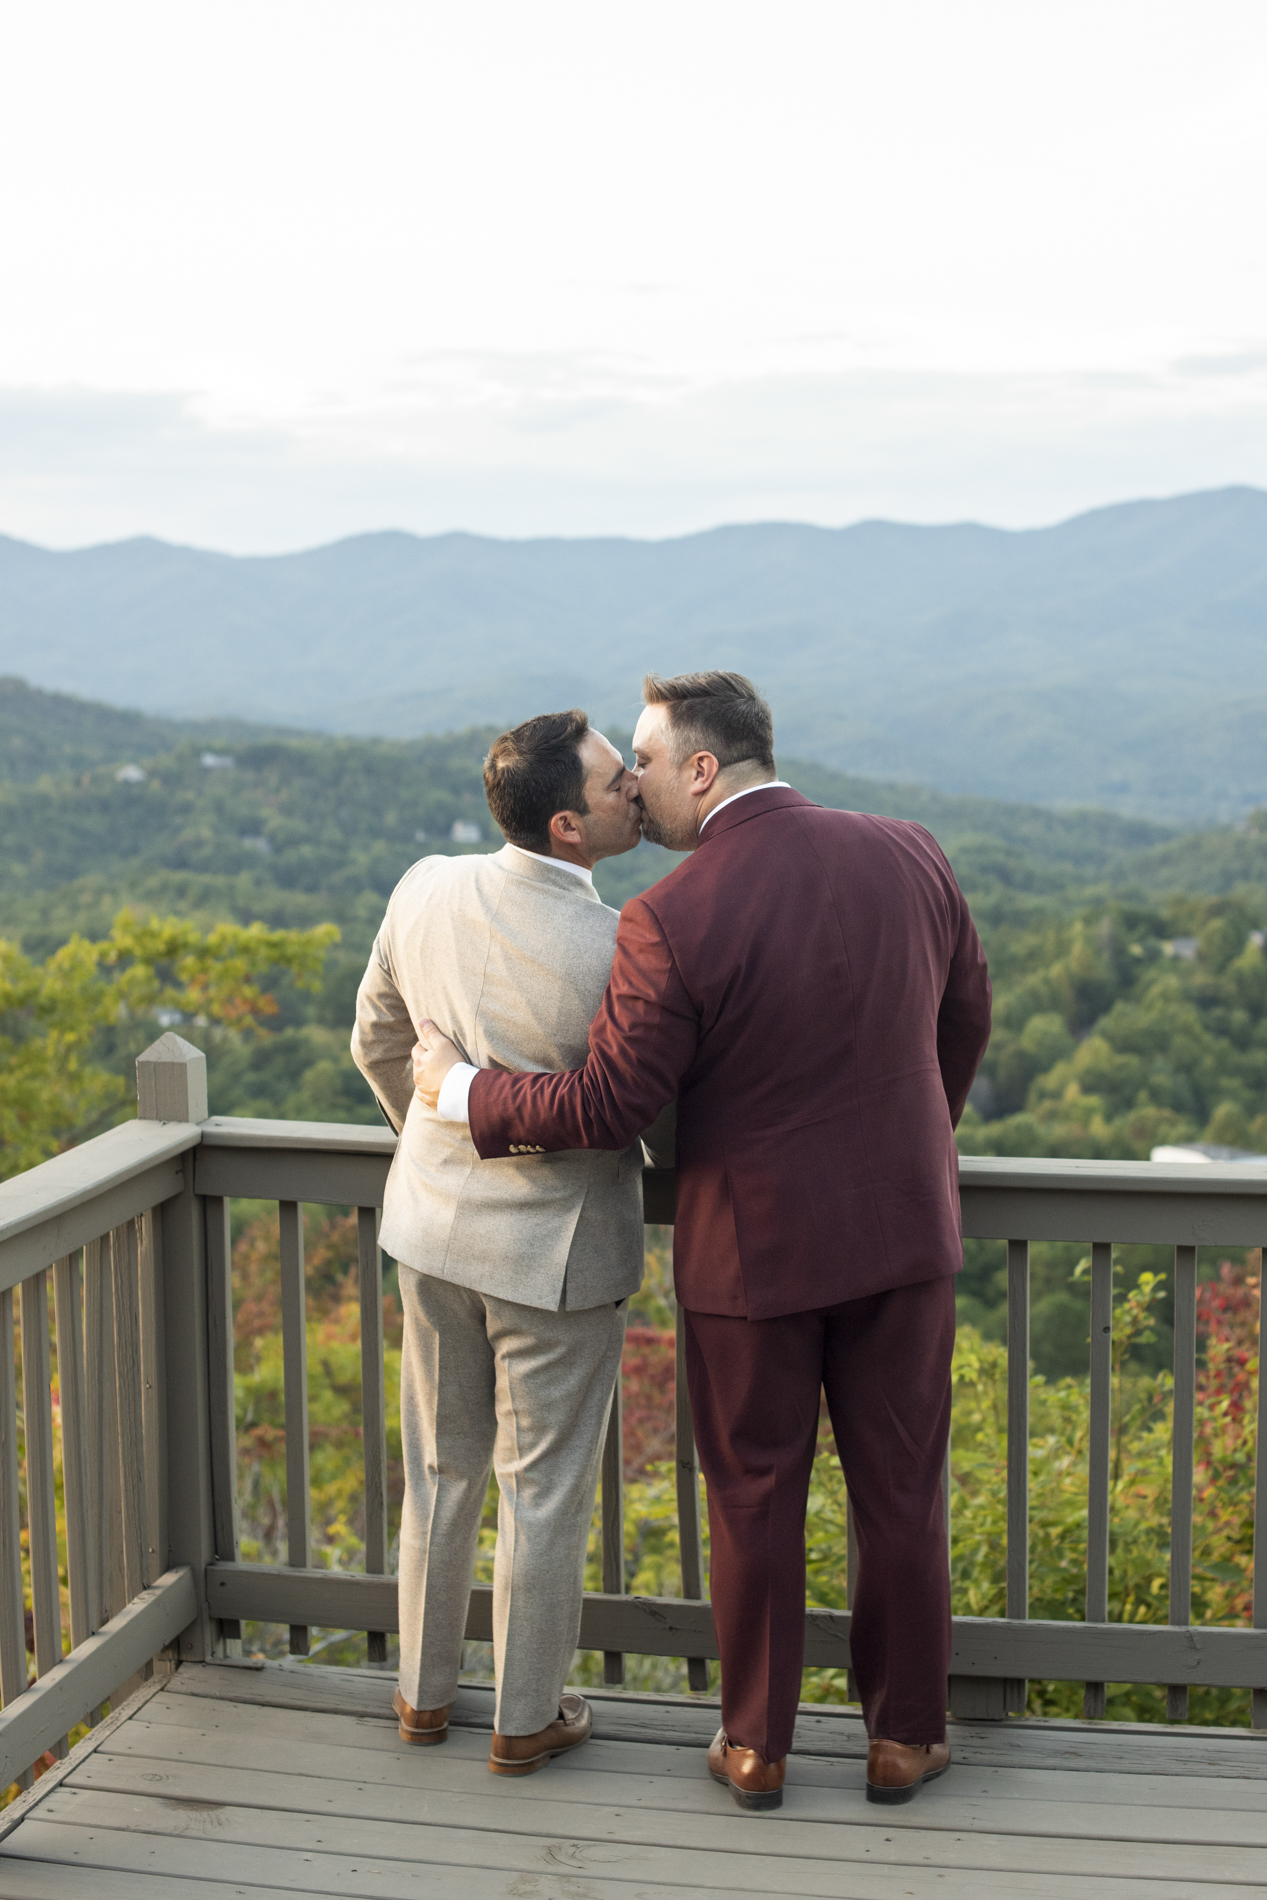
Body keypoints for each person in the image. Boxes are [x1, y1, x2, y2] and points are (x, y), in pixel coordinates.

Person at [413, 669, 991, 1811]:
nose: (633, 784)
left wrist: (461, 1091)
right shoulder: (911, 851)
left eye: (643, 760)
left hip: (750, 1255)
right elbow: (963, 1015)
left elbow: (606, 1108)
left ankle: (756, 1745)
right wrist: (909, 1148)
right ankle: (903, 1738)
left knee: (755, 1496)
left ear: (701, 769)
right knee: (902, 1489)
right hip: (903, 1233)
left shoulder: (669, 917)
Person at [351, 707, 673, 1778]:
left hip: (431, 1233)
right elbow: (645, 1114)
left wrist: (430, 1145)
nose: (634, 781)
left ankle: (421, 1698)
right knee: (541, 1486)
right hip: (559, 1255)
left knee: (438, 1473)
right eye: (613, 774)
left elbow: (375, 1038)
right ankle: (524, 1717)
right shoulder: (619, 946)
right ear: (569, 827)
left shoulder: (424, 885)